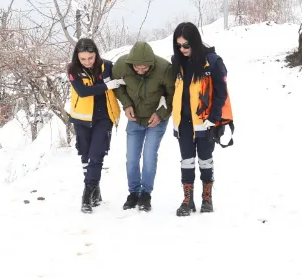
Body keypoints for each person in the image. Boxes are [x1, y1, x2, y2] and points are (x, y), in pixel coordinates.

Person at [171, 22, 230, 217]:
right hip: (183, 122)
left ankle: (207, 198)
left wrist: (213, 119)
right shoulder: (177, 61)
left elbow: (221, 94)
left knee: (205, 159)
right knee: (186, 160)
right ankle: (187, 199)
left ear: (195, 42)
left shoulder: (212, 62)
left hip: (205, 122)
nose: (182, 49)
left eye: (186, 45)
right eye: (178, 45)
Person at [112, 41, 173, 211]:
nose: (140, 70)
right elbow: (116, 87)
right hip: (135, 119)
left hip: (156, 120)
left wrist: (160, 114)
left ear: (151, 64)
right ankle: (133, 193)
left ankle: (145, 194)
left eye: (144, 67)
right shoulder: (121, 66)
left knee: (149, 156)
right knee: (131, 159)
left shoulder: (164, 69)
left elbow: (173, 95)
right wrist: (126, 105)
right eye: (137, 67)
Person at [67, 38, 124, 213]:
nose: (87, 62)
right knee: (85, 156)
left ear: (96, 55)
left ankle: (87, 194)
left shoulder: (107, 66)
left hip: (104, 117)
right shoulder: (73, 70)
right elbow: (83, 92)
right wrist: (106, 86)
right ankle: (96, 191)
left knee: (96, 155)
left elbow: (123, 80)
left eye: (90, 58)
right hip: (82, 118)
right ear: (77, 58)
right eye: (83, 59)